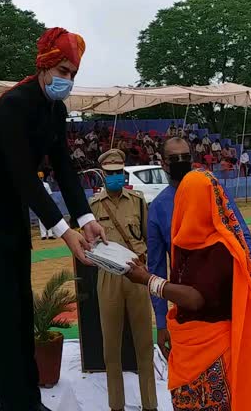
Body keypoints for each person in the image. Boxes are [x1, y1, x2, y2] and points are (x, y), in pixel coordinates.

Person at [0, 27, 106, 411]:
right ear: (45, 66)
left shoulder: (55, 109)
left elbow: (64, 169)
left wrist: (85, 217)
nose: (67, 81)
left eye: (73, 75)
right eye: (63, 71)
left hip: (13, 213)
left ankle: (26, 401)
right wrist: (65, 232)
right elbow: (23, 175)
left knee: (19, 311)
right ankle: (13, 404)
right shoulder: (15, 104)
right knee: (2, 314)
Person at [128, 170, 251, 410]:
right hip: (187, 349)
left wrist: (148, 280)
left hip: (215, 356)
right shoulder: (186, 244)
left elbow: (196, 299)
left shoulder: (221, 248)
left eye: (186, 200)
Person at [147, 137, 251, 362]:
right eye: (174, 159)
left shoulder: (214, 192)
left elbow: (244, 241)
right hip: (187, 308)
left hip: (227, 306)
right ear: (163, 164)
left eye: (185, 158)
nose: (180, 162)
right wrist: (160, 321)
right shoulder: (158, 207)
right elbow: (156, 266)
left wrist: (230, 279)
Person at [89, 149, 157, 411]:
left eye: (119, 173)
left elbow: (149, 237)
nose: (115, 177)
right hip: (108, 277)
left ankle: (150, 405)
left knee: (144, 345)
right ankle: (115, 405)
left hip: (137, 274)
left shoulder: (138, 201)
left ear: (123, 172)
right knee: (111, 348)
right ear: (103, 176)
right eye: (110, 174)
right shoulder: (93, 206)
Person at [37, 172, 55, 240]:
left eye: (41, 177)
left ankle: (50, 234)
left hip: (47, 203)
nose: (41, 179)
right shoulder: (35, 185)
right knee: (41, 220)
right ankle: (43, 235)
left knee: (49, 218)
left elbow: (50, 194)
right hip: (39, 204)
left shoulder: (46, 185)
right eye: (39, 177)